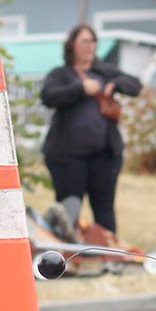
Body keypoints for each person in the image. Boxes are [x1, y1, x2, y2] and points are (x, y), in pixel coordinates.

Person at [40, 24, 143, 238]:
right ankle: (63, 258)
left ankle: (108, 255)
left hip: (105, 155)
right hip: (68, 156)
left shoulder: (104, 71)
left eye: (93, 41)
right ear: (72, 45)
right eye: (84, 41)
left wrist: (114, 84)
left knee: (104, 207)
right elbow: (48, 96)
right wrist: (80, 88)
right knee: (69, 206)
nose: (90, 46)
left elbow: (135, 85)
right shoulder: (61, 74)